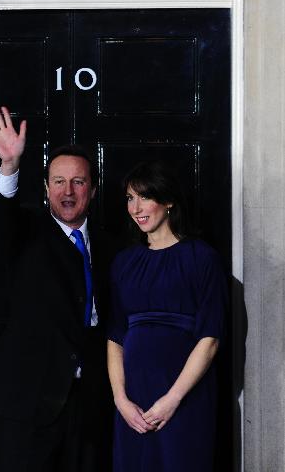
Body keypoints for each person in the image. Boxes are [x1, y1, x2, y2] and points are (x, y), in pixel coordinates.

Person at [0, 106, 116, 472]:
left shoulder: (112, 246)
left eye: (78, 182)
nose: (68, 192)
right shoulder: (27, 233)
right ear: (46, 188)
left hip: (88, 406)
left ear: (93, 189)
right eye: (58, 181)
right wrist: (9, 167)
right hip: (25, 403)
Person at [107, 160, 227, 472]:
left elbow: (210, 339)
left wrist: (171, 400)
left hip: (184, 397)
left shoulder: (202, 258)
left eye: (144, 197)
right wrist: (121, 400)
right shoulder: (124, 263)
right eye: (130, 199)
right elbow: (115, 337)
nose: (136, 208)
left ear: (168, 200)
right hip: (133, 399)